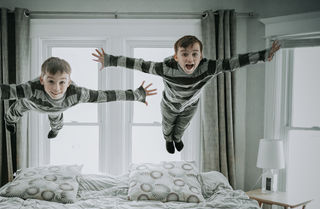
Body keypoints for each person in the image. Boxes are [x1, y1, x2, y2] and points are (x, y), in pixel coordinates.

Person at [92, 36, 280, 154]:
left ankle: (178, 138)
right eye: (184, 54)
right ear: (176, 57)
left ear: (200, 56)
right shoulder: (165, 68)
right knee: (168, 126)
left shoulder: (208, 68)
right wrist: (110, 59)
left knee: (182, 125)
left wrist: (263, 55)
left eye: (194, 54)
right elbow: (139, 64)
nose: (190, 59)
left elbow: (233, 62)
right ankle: (168, 139)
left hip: (191, 104)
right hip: (170, 104)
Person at [0, 57, 157, 138]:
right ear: (42, 80)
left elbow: (104, 95)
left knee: (57, 122)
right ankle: (10, 122)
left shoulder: (76, 93)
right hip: (30, 104)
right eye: (50, 81)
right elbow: (4, 90)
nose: (56, 88)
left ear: (69, 81)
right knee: (13, 112)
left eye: (61, 82)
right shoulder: (31, 88)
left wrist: (135, 94)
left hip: (57, 109)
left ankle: (55, 131)